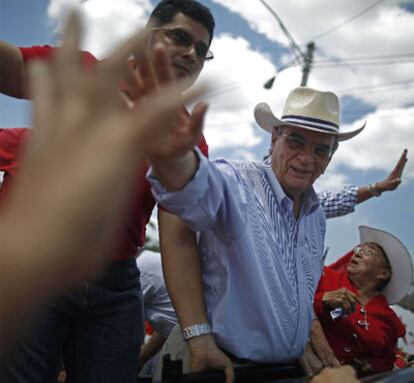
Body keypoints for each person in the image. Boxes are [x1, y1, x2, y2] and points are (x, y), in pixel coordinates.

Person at [0, 1, 215, 381]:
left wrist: (198, 339)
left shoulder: (187, 140)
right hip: (36, 271)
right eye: (180, 38)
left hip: (115, 287)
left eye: (202, 50)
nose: (191, 54)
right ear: (149, 36)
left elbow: (178, 240)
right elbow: (12, 68)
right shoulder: (86, 73)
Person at [145, 86, 365, 382]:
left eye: (320, 149)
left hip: (278, 371)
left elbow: (296, 297)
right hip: (215, 367)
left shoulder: (315, 216)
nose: (306, 158)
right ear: (275, 137)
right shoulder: (236, 182)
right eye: (297, 141)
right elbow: (191, 189)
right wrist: (177, 161)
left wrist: (297, 338)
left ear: (330, 157)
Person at [314, 225, 413, 375]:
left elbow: (386, 361)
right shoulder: (322, 276)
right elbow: (294, 308)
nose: (358, 253)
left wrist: (366, 365)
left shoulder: (390, 320)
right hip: (301, 371)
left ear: (383, 273)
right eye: (358, 250)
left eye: (368, 252)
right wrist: (323, 300)